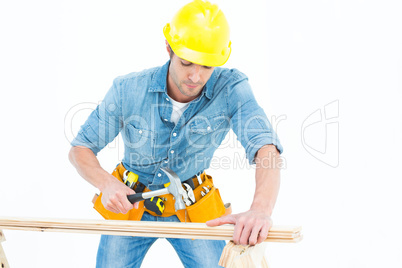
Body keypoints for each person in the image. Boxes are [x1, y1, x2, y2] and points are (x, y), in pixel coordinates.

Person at [69, 0, 283, 267]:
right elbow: (80, 148)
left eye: (207, 66)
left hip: (193, 206)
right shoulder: (127, 89)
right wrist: (106, 183)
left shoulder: (231, 89)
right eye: (187, 63)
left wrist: (261, 210)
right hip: (131, 206)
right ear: (169, 48)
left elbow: (266, 147)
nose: (195, 76)